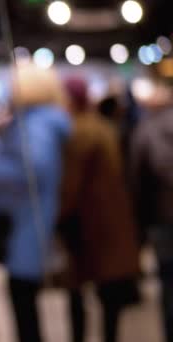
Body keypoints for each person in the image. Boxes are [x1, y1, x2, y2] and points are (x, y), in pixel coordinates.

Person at [0, 65, 71, 342]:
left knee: (24, 306)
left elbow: (32, 171)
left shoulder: (35, 124)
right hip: (30, 222)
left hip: (27, 226)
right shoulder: (40, 121)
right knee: (25, 304)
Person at [59, 77, 141, 342]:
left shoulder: (79, 131)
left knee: (79, 294)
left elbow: (72, 185)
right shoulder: (102, 127)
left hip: (89, 226)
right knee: (109, 301)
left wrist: (58, 214)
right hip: (110, 222)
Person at [130, 80, 173, 342]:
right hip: (162, 218)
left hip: (162, 219)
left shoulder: (146, 130)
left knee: (168, 285)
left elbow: (137, 179)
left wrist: (140, 223)